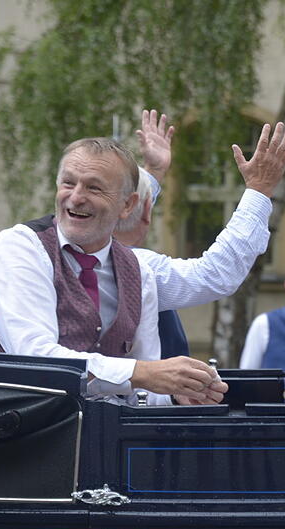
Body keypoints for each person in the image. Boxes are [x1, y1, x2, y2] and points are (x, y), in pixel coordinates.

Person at [0, 120, 285, 405]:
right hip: (15, 432)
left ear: (128, 206)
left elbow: (143, 385)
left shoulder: (138, 269)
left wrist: (175, 395)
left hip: (101, 437)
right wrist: (147, 373)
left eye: (93, 187)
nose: (76, 196)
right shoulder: (21, 246)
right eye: (68, 183)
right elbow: (34, 359)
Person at [114, 110, 188, 358]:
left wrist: (154, 171)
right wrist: (259, 191)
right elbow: (217, 276)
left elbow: (132, 204)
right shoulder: (138, 265)